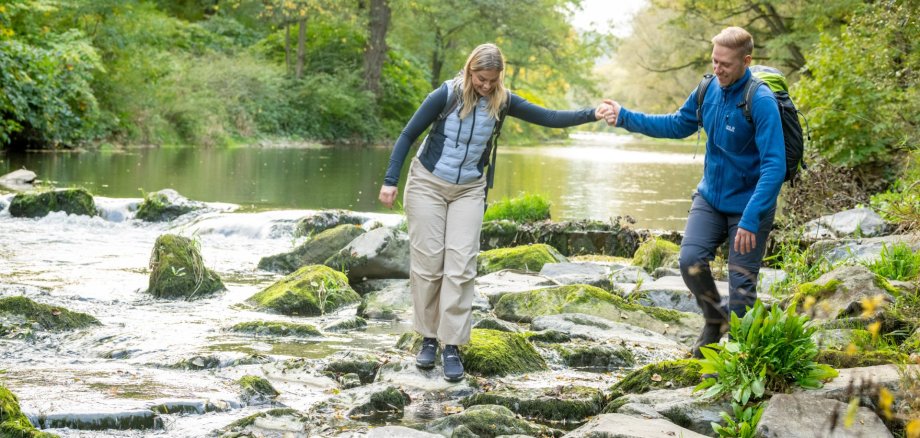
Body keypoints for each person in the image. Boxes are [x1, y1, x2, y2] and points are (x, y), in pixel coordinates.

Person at [378, 43, 611, 381]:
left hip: (470, 189)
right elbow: (407, 135)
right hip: (427, 183)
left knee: (460, 266)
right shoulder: (446, 96)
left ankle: (452, 346)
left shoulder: (504, 101)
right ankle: (428, 339)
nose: (485, 86)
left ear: (500, 76)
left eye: (492, 79)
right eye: (480, 78)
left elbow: (549, 117)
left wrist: (592, 113)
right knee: (429, 264)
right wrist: (390, 180)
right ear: (469, 70)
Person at [601, 27, 785, 358]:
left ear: (746, 61)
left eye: (725, 64)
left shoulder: (761, 101)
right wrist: (625, 117)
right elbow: (674, 125)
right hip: (711, 199)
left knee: (741, 291)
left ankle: (740, 367)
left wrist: (751, 217)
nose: (718, 69)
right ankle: (714, 320)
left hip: (749, 206)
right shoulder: (707, 90)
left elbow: (775, 167)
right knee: (690, 262)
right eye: (714, 61)